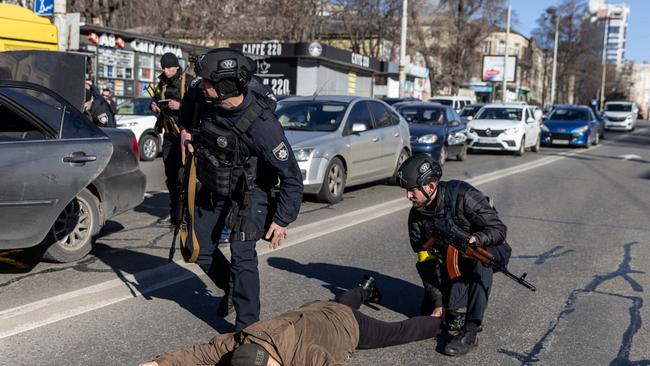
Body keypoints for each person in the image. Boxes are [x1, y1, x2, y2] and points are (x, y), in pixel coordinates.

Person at [178, 48, 303, 331]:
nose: (201, 84)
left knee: (241, 250)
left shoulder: (263, 128)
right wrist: (186, 128)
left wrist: (282, 219)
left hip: (252, 190)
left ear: (225, 86)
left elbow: (292, 178)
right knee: (197, 247)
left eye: (208, 81)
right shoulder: (203, 94)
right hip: (215, 181)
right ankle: (231, 289)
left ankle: (247, 328)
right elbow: (190, 100)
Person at [139, 277, 441, 366]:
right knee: (342, 301)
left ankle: (442, 320)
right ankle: (363, 288)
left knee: (398, 332)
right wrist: (157, 364)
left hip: (347, 326)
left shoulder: (305, 355)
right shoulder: (244, 339)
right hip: (315, 309)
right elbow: (201, 353)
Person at [396, 154, 508, 357]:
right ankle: (452, 305)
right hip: (452, 259)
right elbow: (425, 261)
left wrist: (475, 239)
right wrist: (438, 302)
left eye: (411, 190)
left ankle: (471, 330)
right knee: (435, 313)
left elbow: (499, 230)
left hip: (488, 248)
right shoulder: (416, 217)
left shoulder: (462, 195)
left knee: (480, 262)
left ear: (429, 187)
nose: (408, 196)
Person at [151, 52, 189, 225]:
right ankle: (175, 212)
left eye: (169, 67)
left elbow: (199, 105)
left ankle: (187, 213)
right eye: (163, 67)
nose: (166, 71)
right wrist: (155, 105)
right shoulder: (162, 82)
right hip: (168, 135)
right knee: (171, 176)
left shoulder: (188, 81)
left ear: (176, 66)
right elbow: (157, 97)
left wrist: (181, 106)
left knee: (185, 176)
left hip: (184, 134)